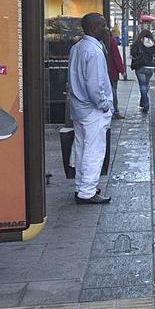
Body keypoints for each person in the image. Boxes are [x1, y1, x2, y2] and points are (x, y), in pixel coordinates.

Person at [68, 13, 114, 204]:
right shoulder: (94, 52)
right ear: (95, 28)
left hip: (79, 107)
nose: (107, 29)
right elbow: (95, 84)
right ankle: (87, 191)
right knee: (93, 150)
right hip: (92, 109)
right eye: (104, 25)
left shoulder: (77, 47)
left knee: (81, 147)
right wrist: (104, 105)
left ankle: (81, 186)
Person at [130, 29, 155, 113]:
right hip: (150, 67)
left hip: (140, 66)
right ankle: (143, 102)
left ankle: (146, 103)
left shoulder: (138, 43)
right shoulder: (152, 43)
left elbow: (133, 53)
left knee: (142, 85)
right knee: (146, 85)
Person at [105, 30, 126, 120]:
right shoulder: (111, 41)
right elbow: (116, 56)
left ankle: (109, 110)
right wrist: (122, 70)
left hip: (105, 71)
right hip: (112, 71)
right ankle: (115, 111)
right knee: (113, 91)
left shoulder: (99, 42)